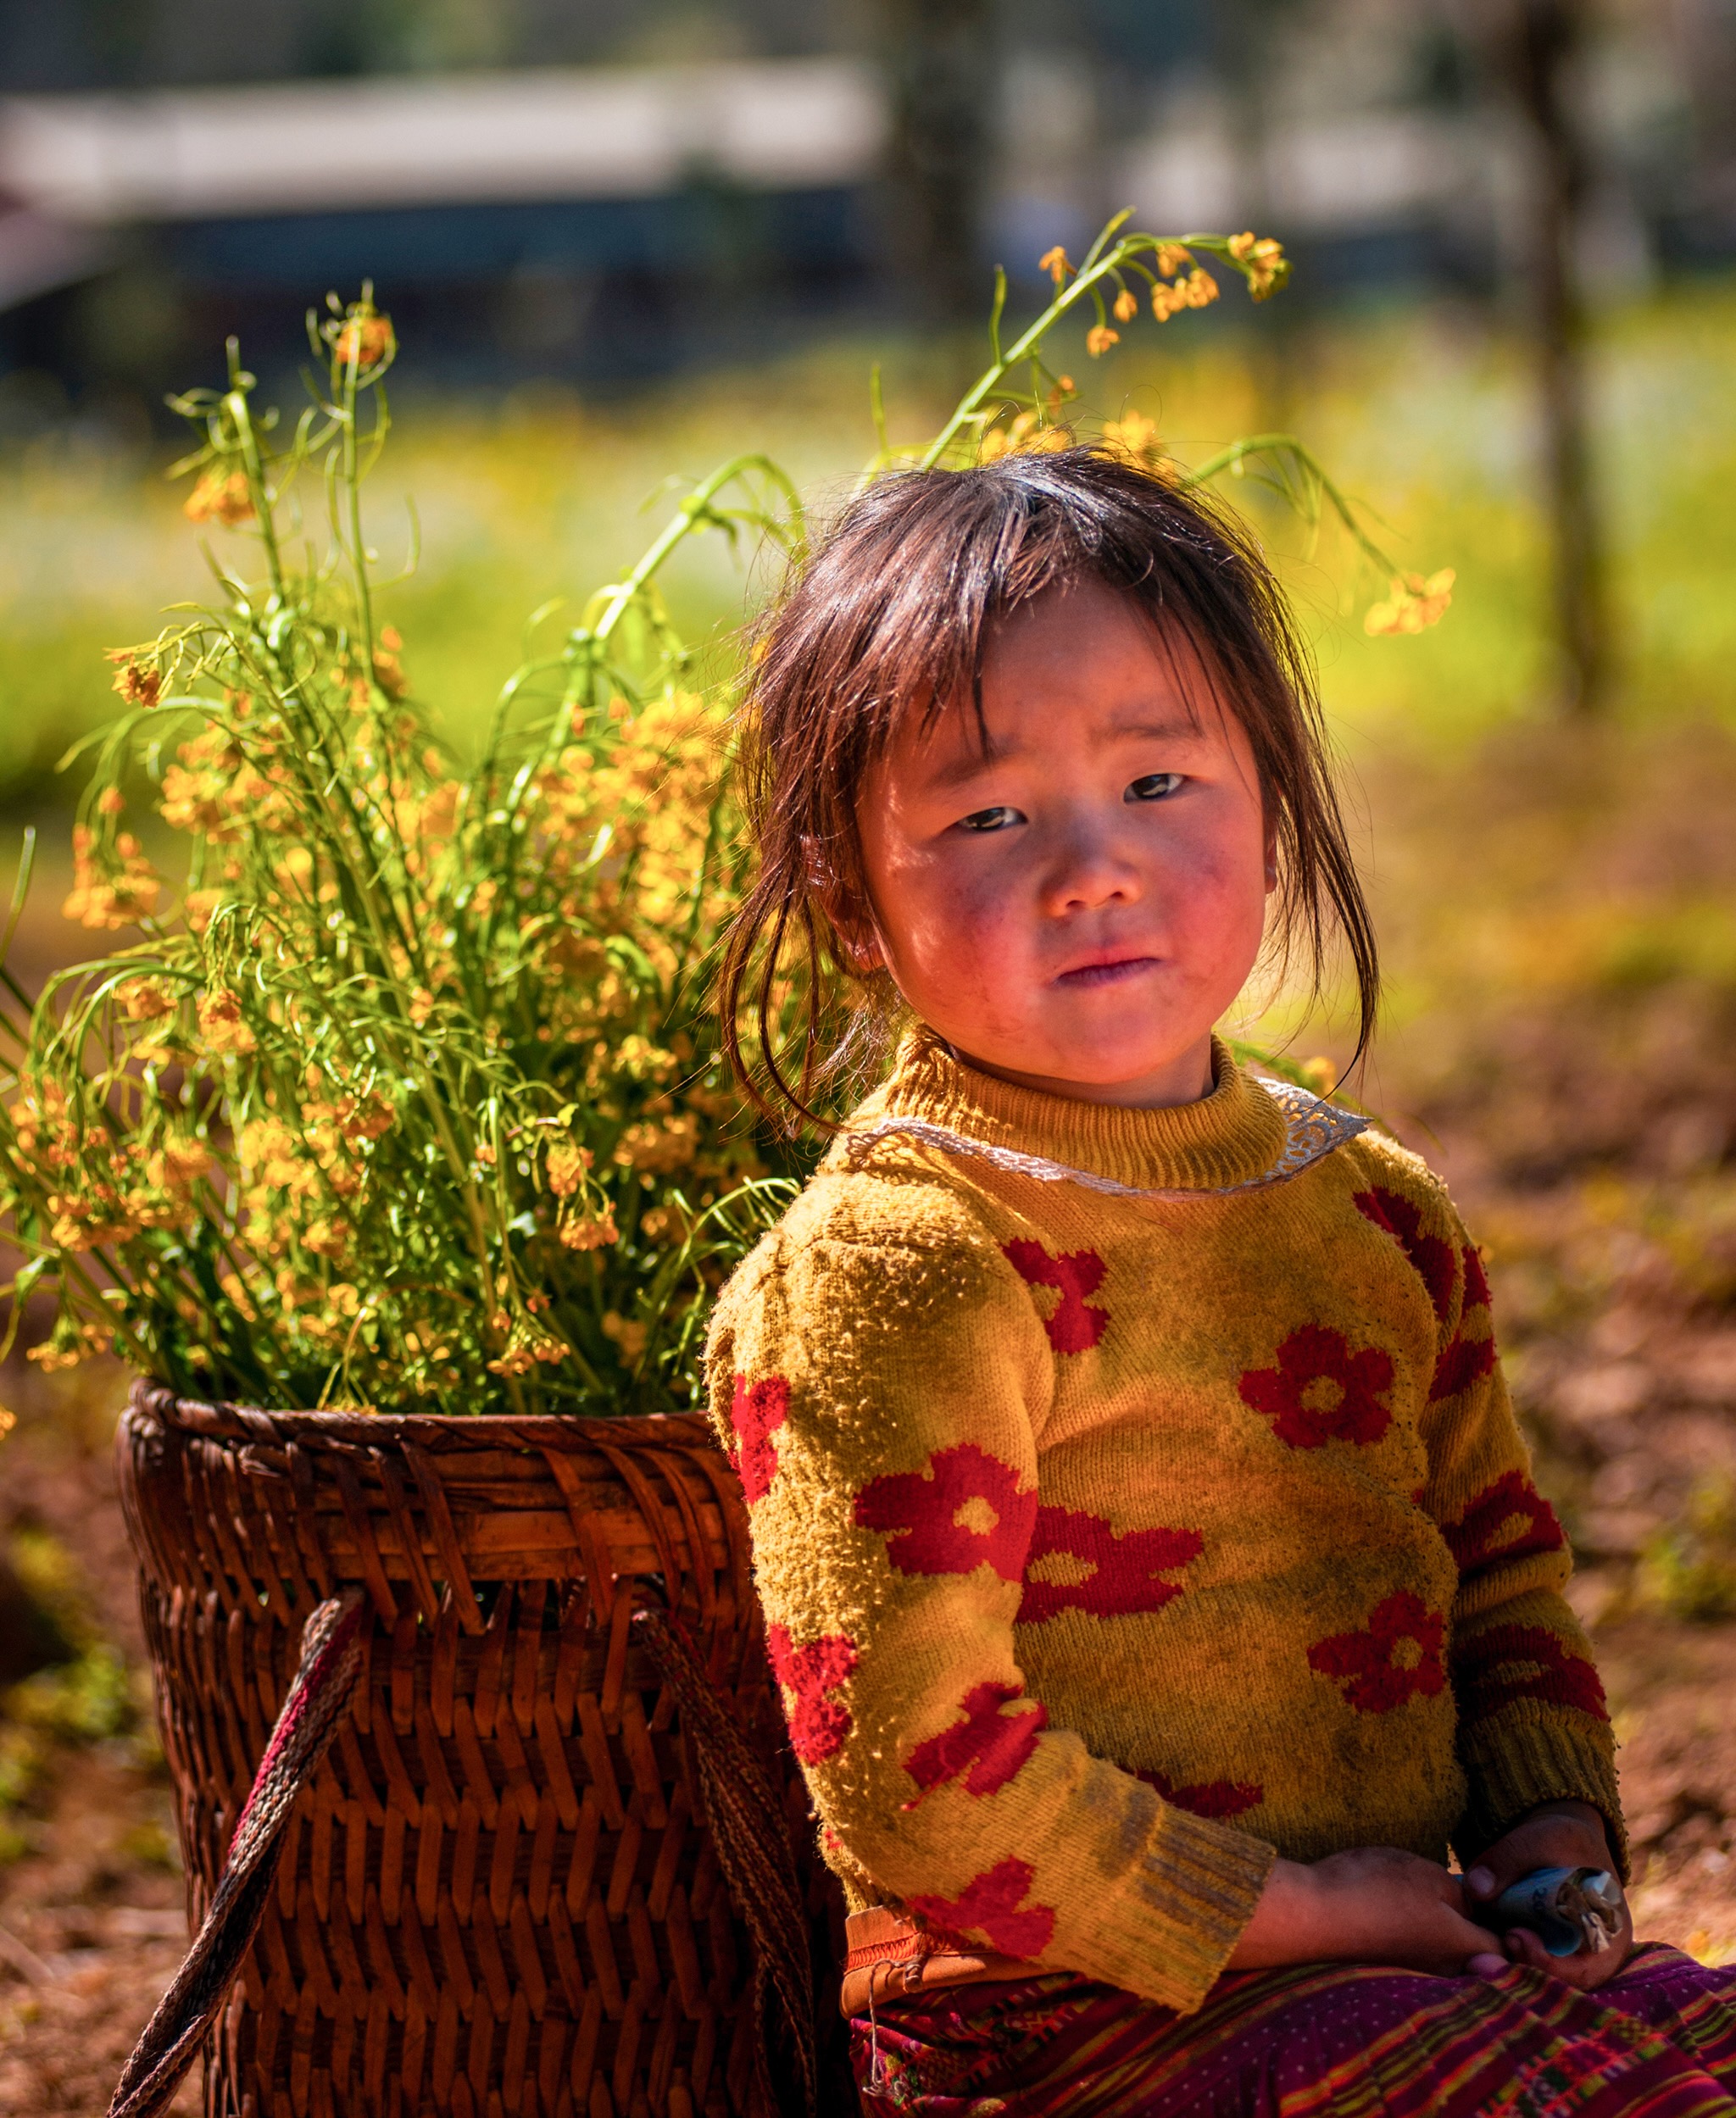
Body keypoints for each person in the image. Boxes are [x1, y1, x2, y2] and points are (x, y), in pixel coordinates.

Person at [703, 449, 1736, 2115]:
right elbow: (915, 1774)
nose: (1090, 864)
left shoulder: (1370, 1208)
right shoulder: (902, 1258)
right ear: (844, 896)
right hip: (1057, 2025)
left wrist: (1554, 1839)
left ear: (1268, 794)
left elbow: (1499, 1571)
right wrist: (1306, 1912)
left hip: (1420, 1960)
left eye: (1160, 783)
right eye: (985, 814)